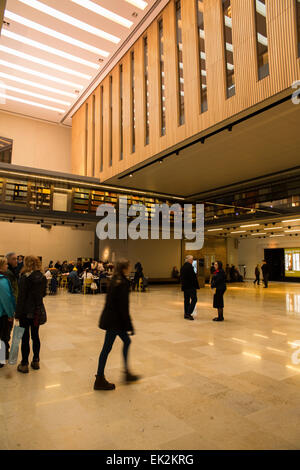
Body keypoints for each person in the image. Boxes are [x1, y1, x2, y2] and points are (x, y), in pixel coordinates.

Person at [94, 259, 140, 391]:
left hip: (112, 320)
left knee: (125, 342)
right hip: (115, 322)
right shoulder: (123, 283)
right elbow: (123, 307)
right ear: (125, 268)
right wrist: (129, 325)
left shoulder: (115, 279)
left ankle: (125, 373)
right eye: (129, 267)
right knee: (107, 348)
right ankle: (100, 378)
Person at [15, 256, 47, 373]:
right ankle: (36, 360)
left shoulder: (24, 277)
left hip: (25, 312)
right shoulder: (43, 277)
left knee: (25, 338)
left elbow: (21, 298)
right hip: (37, 311)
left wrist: (17, 314)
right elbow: (44, 294)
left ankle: (24, 364)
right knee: (35, 336)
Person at [0, 257, 16, 367]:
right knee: (3, 336)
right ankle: (1, 359)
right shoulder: (2, 281)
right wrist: (11, 314)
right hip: (3, 314)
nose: (7, 266)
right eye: (5, 264)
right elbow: (6, 299)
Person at [180, 255, 199, 321]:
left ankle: (186, 313)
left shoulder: (183, 267)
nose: (192, 261)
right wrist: (195, 285)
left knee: (187, 300)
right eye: (192, 259)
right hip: (190, 287)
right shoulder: (189, 267)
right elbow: (192, 277)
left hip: (185, 287)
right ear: (188, 260)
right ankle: (188, 313)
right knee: (194, 299)